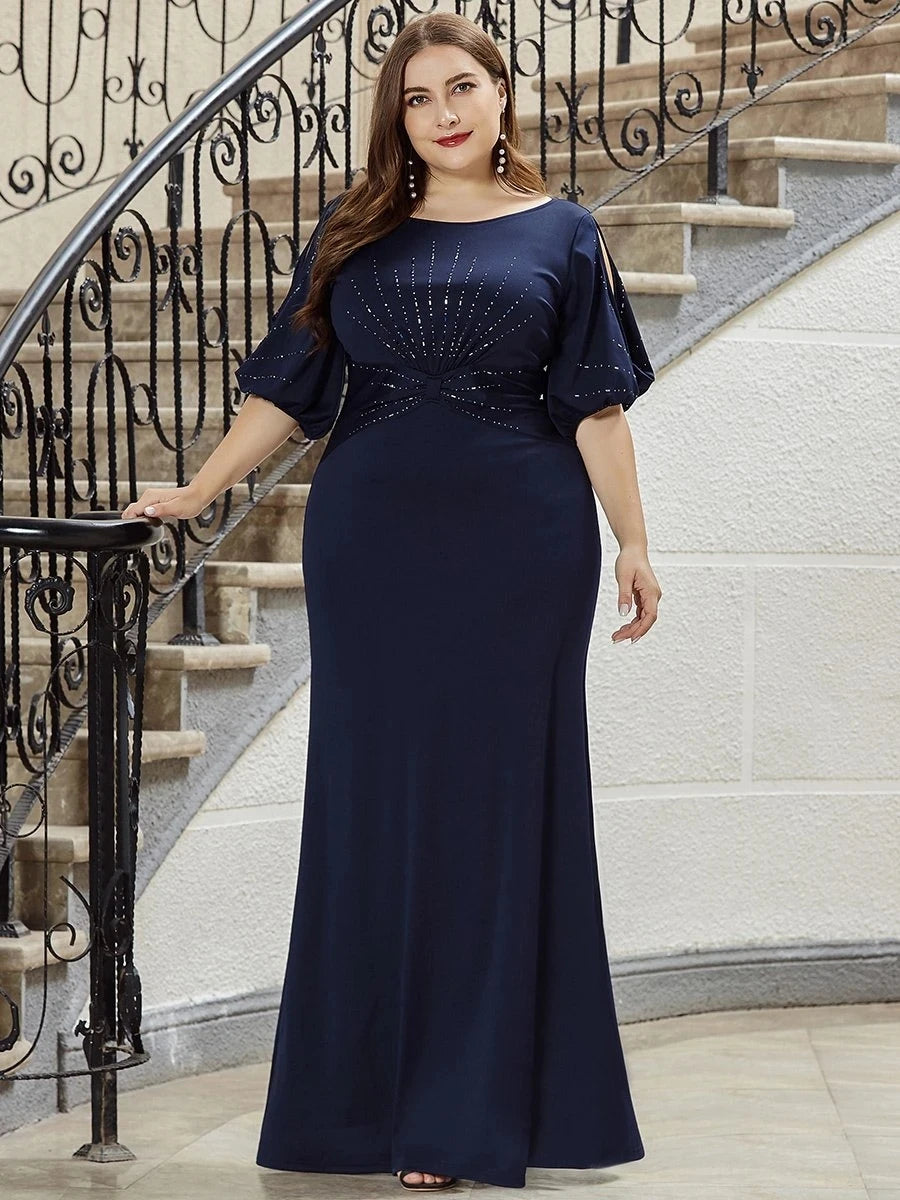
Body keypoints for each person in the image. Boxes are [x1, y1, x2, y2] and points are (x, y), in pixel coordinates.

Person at [122, 11, 661, 1191]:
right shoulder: (353, 230)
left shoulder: (565, 234)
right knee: (372, 805)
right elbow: (292, 388)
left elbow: (596, 406)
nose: (445, 113)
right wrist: (203, 486)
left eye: (461, 87)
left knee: (501, 810)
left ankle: (465, 1112)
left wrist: (633, 540)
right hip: (373, 543)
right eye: (418, 99)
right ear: (398, 118)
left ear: (504, 93)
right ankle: (359, 1105)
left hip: (524, 545)